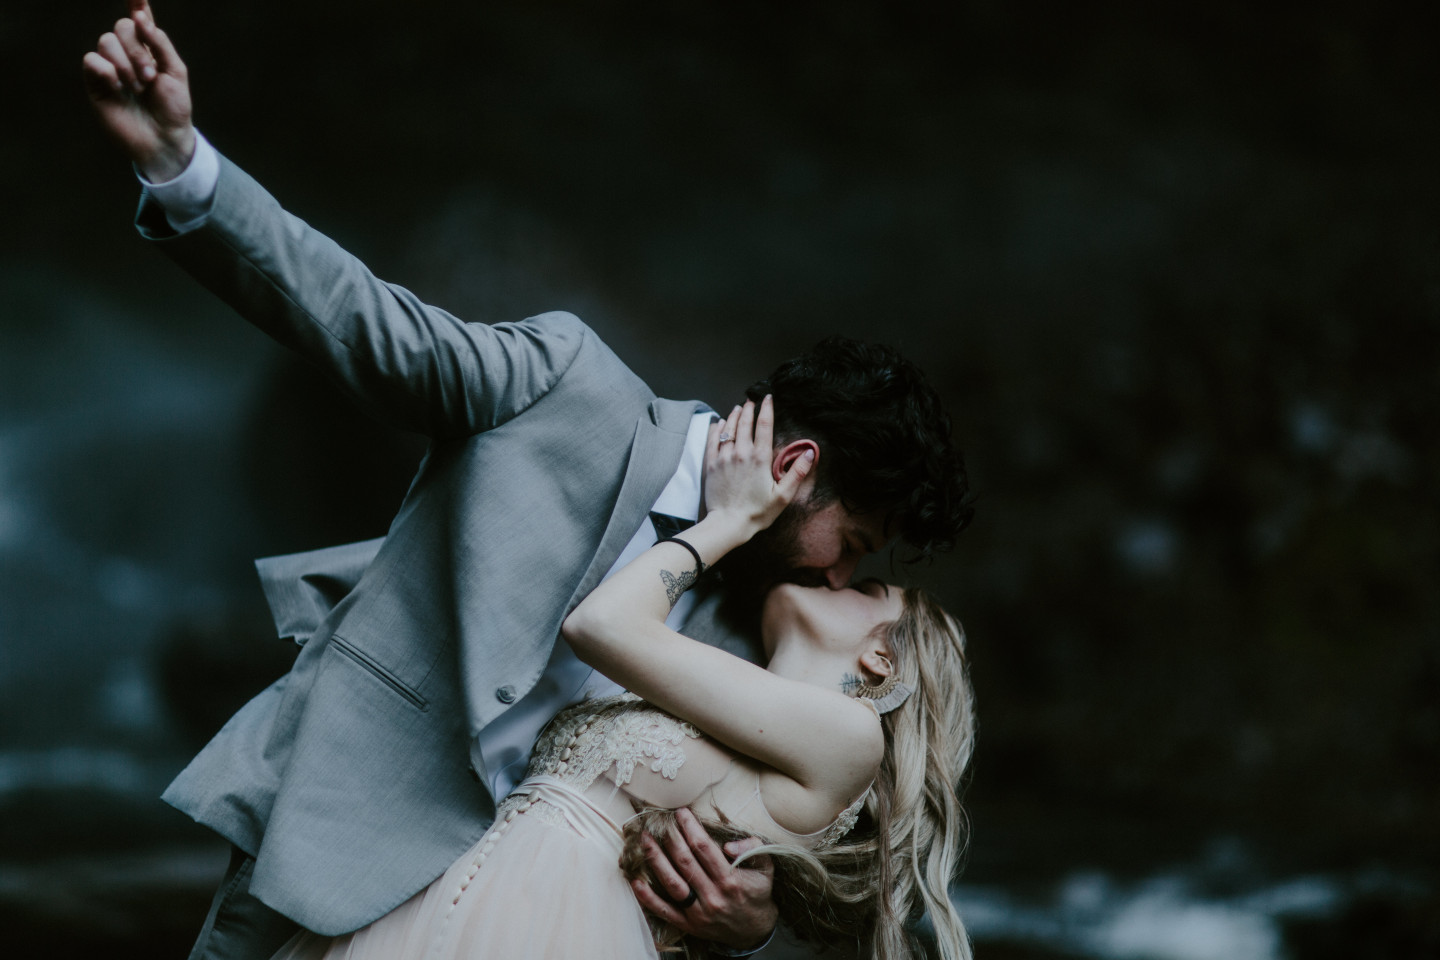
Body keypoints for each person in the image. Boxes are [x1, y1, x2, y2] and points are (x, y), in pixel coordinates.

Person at [82, 4, 973, 958]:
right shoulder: (566, 387)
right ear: (797, 470)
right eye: (860, 546)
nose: (841, 581)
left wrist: (748, 921)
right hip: (338, 823)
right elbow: (363, 322)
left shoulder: (757, 632)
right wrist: (184, 168)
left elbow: (765, 840)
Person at [267, 397, 976, 960]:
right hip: (459, 887)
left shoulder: (850, 738)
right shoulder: (738, 697)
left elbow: (602, 626)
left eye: (867, 582)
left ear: (881, 658)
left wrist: (729, 520)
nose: (839, 575)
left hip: (555, 928)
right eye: (852, 551)